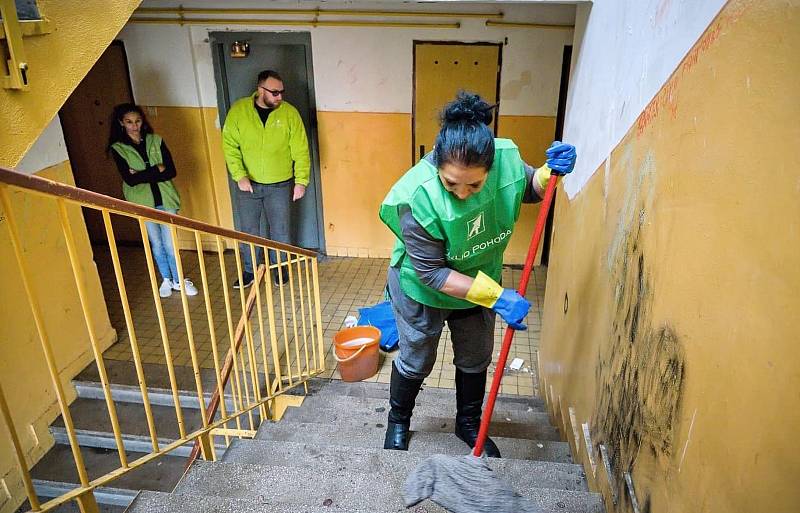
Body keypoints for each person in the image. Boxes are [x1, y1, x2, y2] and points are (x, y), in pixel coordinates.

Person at [379, 92, 577, 456]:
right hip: (422, 288)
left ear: (490, 169)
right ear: (436, 164)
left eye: (475, 185)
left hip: (478, 277)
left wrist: (550, 175)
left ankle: (468, 424)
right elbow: (434, 275)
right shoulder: (415, 196)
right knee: (417, 357)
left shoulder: (505, 160)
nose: (463, 195)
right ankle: (398, 420)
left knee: (475, 356)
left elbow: (528, 186)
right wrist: (497, 297)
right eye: (451, 184)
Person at [222, 69, 311, 288]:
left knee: (280, 230)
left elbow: (300, 149)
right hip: (248, 185)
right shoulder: (239, 111)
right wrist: (239, 176)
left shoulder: (289, 113)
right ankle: (250, 271)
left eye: (281, 92)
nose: (280, 97)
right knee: (248, 230)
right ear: (260, 90)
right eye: (275, 92)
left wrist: (301, 181)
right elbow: (229, 146)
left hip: (280, 184)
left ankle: (279, 268)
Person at [108, 103, 198, 299]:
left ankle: (179, 280)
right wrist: (157, 169)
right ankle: (166, 278)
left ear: (143, 121)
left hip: (166, 199)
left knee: (170, 242)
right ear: (121, 123)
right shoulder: (118, 149)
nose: (134, 126)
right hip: (143, 202)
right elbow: (129, 179)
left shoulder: (156, 140)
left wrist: (141, 173)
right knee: (156, 243)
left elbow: (172, 171)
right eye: (129, 122)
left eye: (138, 121)